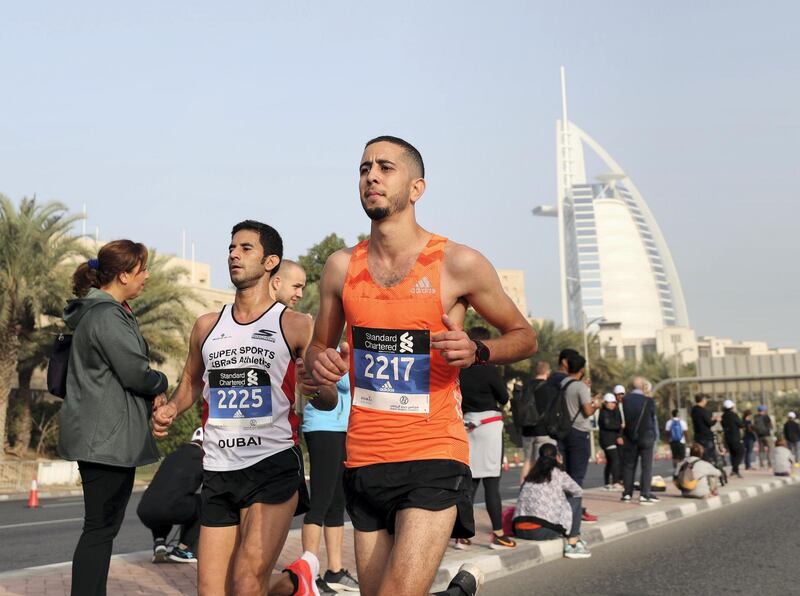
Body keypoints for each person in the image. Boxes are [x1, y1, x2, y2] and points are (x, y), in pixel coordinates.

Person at [305, 135, 537, 596]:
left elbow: (524, 336)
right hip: (365, 459)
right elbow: (317, 352)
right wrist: (322, 367)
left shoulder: (457, 263)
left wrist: (478, 350)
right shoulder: (339, 268)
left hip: (433, 453)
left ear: (416, 188)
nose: (371, 175)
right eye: (364, 167)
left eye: (386, 167)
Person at [152, 220, 324, 596]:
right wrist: (170, 409)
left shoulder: (296, 325)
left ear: (270, 262)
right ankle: (296, 584)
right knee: (212, 591)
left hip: (272, 464)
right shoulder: (206, 326)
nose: (233, 254)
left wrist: (318, 387)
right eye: (232, 247)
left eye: (246, 248)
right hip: (217, 468)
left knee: (247, 582)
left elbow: (326, 398)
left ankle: (294, 583)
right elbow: (192, 384)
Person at [58, 240, 168, 596]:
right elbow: (135, 373)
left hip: (102, 436)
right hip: (105, 439)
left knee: (101, 528)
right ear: (123, 275)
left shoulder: (102, 311)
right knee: (99, 529)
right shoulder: (106, 315)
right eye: (141, 270)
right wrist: (162, 382)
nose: (146, 276)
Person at [301, 369, 359, 594]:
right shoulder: (319, 350)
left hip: (343, 429)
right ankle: (309, 573)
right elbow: (341, 382)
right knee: (320, 502)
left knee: (337, 504)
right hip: (323, 428)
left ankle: (334, 571)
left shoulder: (340, 349)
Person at [458, 327, 515, 550]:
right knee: (492, 483)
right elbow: (503, 396)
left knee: (470, 484)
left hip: (467, 425)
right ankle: (499, 535)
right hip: (489, 427)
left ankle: (462, 536)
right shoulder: (489, 370)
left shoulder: (459, 371)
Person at [512, 443, 591, 559]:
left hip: (518, 529)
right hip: (539, 531)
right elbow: (578, 491)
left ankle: (577, 540)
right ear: (557, 457)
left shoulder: (531, 474)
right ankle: (572, 544)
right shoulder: (558, 473)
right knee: (576, 500)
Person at [137, 427, 204, 563]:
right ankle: (184, 549)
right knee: (203, 502)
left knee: (164, 499)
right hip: (170, 509)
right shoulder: (204, 457)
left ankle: (159, 542)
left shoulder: (173, 455)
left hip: (144, 509)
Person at [557, 353, 601, 522]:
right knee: (577, 477)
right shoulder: (580, 387)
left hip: (563, 431)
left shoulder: (562, 383)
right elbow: (588, 411)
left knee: (566, 475)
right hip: (579, 433)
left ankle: (565, 510)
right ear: (582, 370)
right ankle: (574, 516)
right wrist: (595, 405)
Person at [620, 377, 659, 505]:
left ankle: (627, 493)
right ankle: (644, 494)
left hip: (630, 436)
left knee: (629, 465)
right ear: (643, 387)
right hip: (646, 436)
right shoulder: (648, 401)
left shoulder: (625, 400)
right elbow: (652, 419)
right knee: (646, 466)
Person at [517, 361, 552, 483]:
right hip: (542, 429)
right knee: (542, 461)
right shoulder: (548, 387)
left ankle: (523, 488)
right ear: (547, 372)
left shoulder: (526, 386)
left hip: (527, 428)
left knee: (527, 460)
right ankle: (539, 489)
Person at [598, 393, 623, 490]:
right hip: (607, 440)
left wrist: (619, 435)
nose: (612, 404)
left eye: (614, 403)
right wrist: (619, 426)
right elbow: (608, 425)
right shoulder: (603, 413)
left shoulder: (616, 411)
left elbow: (619, 423)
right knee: (615, 459)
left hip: (614, 439)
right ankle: (615, 482)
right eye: (610, 403)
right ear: (605, 403)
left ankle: (607, 483)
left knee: (610, 461)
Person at [721, 400, 744, 478]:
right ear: (732, 407)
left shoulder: (723, 416)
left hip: (727, 438)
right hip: (735, 437)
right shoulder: (733, 415)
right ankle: (735, 469)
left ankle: (735, 471)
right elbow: (741, 424)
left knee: (733, 454)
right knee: (741, 451)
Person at [691, 394, 716, 463]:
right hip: (706, 437)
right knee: (709, 456)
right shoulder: (703, 410)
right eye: (705, 399)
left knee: (700, 454)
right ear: (703, 400)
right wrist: (715, 419)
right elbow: (709, 423)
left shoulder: (693, 410)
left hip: (697, 436)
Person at [664, 409, 688, 478]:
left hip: (672, 441)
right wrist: (688, 441)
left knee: (675, 457)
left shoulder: (668, 422)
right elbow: (685, 433)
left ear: (672, 414)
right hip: (681, 441)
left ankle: (675, 471)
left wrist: (666, 442)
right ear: (678, 414)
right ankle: (682, 471)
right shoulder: (683, 422)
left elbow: (667, 433)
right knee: (682, 457)